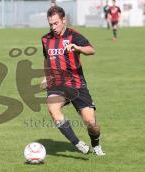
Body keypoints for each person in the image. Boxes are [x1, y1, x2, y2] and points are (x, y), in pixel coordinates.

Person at [40, 5, 105, 155]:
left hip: (76, 83)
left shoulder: (73, 35)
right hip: (57, 82)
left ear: (63, 20)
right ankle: (77, 143)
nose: (53, 27)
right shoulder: (45, 39)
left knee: (91, 122)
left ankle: (96, 144)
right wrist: (46, 75)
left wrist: (78, 48)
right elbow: (46, 59)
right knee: (52, 108)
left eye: (56, 23)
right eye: (50, 24)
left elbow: (91, 49)